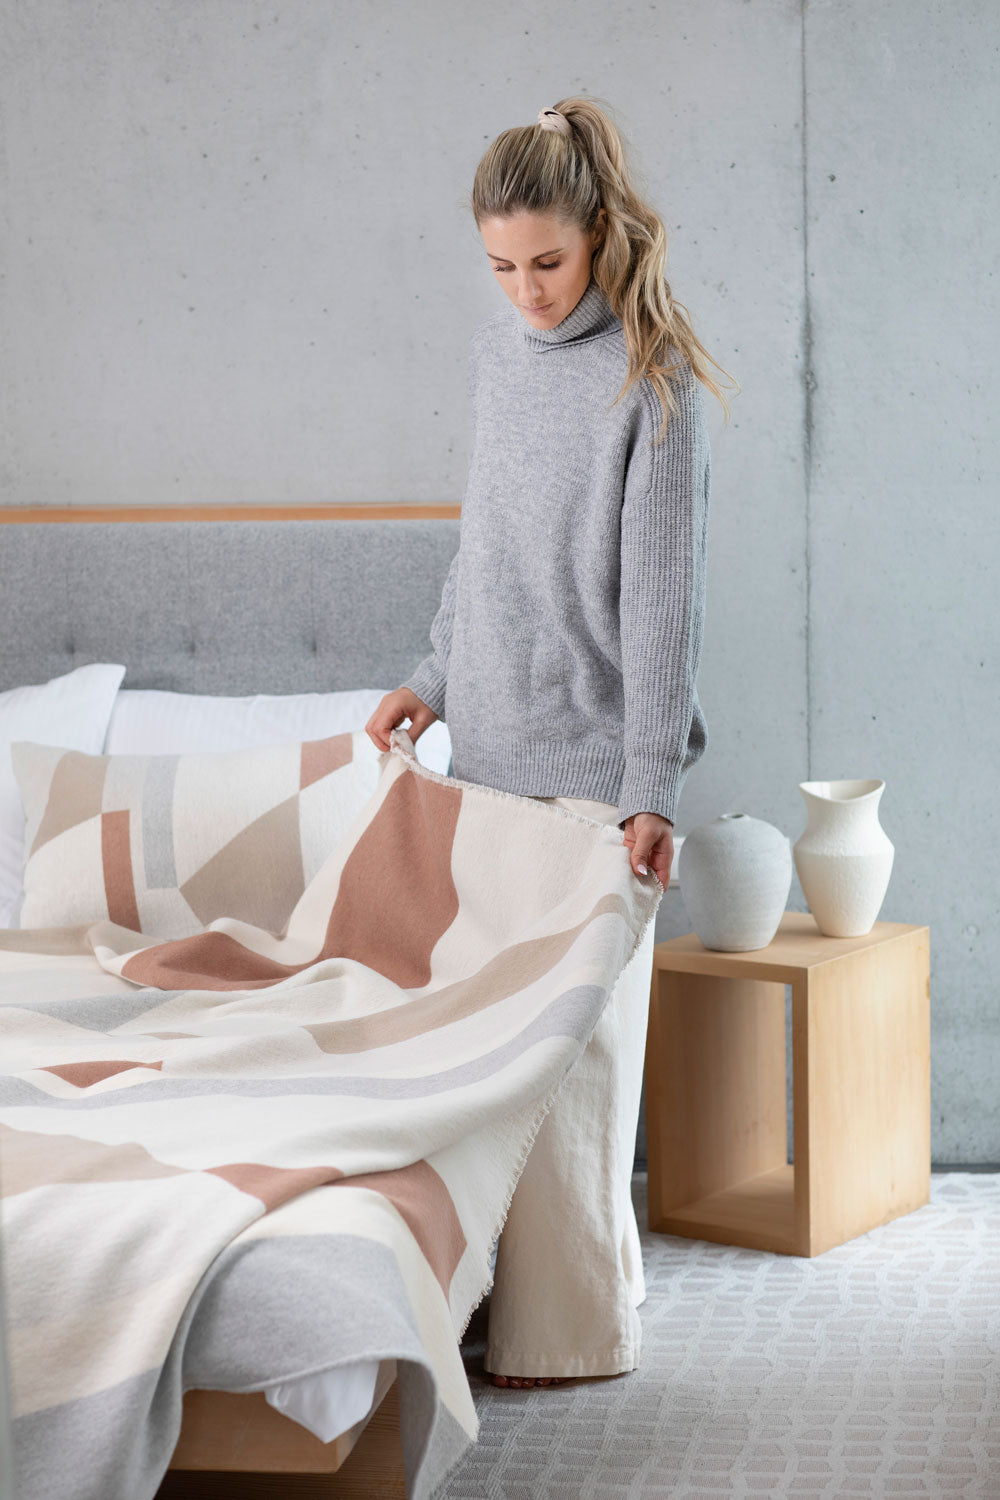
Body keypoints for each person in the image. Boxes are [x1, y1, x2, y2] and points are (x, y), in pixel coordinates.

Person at [366, 96, 738, 1389]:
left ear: (599, 236)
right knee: (501, 1063)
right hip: (489, 763)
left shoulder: (654, 384)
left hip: (596, 782)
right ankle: (506, 1310)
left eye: (548, 262)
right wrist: (431, 678)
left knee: (580, 1072)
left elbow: (663, 609)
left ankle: (574, 1338)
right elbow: (486, 550)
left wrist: (651, 788)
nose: (526, 291)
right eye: (501, 267)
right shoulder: (500, 357)